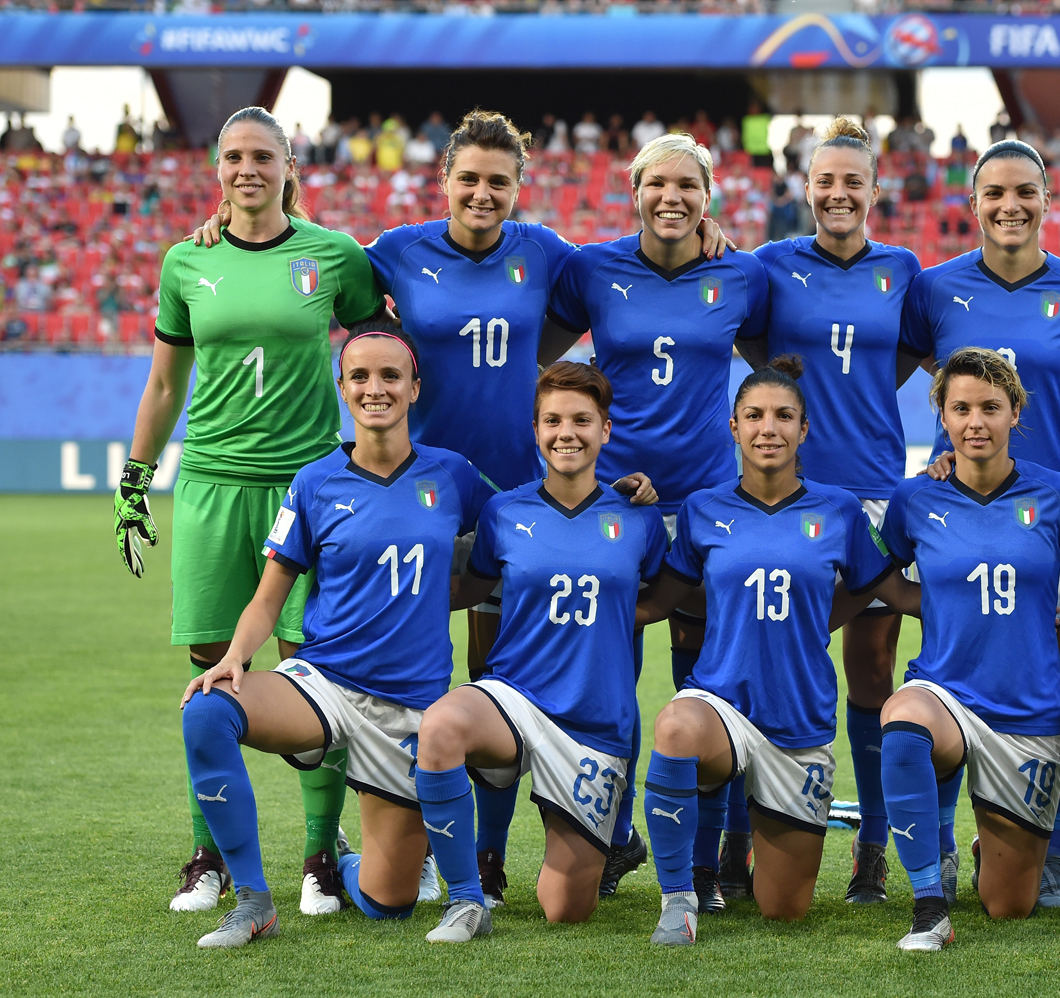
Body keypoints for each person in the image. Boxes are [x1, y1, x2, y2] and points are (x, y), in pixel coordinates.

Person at [190, 110, 720, 904]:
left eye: (497, 181)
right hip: (420, 495)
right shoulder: (397, 252)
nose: (481, 193)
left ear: (518, 189)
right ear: (443, 182)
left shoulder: (546, 253)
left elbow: (633, 272)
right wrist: (235, 220)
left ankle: (541, 844)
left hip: (515, 496)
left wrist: (712, 237)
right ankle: (419, 834)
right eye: (467, 178)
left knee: (530, 666)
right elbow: (312, 270)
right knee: (420, 667)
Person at [118, 107, 385, 918]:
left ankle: (319, 856)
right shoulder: (184, 262)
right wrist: (135, 480)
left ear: (287, 163)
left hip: (306, 487)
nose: (246, 169)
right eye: (233, 157)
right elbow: (165, 385)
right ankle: (211, 855)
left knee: (316, 667)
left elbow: (383, 343)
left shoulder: (332, 254)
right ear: (217, 168)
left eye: (261, 156)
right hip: (210, 484)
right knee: (209, 659)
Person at [178, 330, 494, 949]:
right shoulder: (314, 482)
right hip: (325, 684)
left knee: (388, 904)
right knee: (208, 712)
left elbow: (519, 524)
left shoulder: (453, 474)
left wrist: (608, 500)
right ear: (343, 389)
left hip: (409, 709)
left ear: (415, 389)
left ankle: (346, 863)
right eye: (360, 377)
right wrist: (236, 658)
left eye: (391, 376)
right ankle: (252, 902)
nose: (376, 389)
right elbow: (269, 596)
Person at [546, 132, 769, 897]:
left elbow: (775, 369)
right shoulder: (591, 268)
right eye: (657, 185)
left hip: (708, 504)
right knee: (610, 675)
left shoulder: (743, 274)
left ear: (710, 200)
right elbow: (540, 361)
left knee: (706, 676)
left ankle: (710, 859)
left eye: (688, 187)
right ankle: (610, 836)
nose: (671, 198)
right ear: (632, 191)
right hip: (615, 505)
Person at [633, 358, 919, 945]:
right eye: (755, 416)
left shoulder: (839, 510)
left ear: (804, 430)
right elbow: (656, 601)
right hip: (723, 707)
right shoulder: (702, 509)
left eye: (784, 416)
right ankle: (679, 896)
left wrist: (1003, 601)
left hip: (799, 725)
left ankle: (756, 848)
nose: (770, 428)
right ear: (733, 427)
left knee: (784, 910)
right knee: (676, 728)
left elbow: (883, 588)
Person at [899, 140, 1060, 907]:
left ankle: (1046, 858)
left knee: (1056, 694)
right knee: (947, 676)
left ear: (1048, 200)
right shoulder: (932, 291)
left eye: (1025, 191)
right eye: (994, 193)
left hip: (1052, 522)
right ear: (973, 202)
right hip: (953, 516)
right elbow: (869, 372)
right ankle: (940, 852)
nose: (1009, 206)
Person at [415, 362, 668, 941]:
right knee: (443, 726)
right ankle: (466, 897)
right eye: (552, 420)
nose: (566, 433)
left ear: (606, 428)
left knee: (565, 910)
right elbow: (472, 591)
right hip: (516, 698)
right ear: (535, 430)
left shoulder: (638, 518)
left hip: (595, 722)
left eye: (582, 420)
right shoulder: (505, 512)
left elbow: (670, 590)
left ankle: (613, 842)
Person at [745, 118, 923, 909]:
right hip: (788, 494)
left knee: (873, 669)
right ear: (807, 187)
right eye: (827, 181)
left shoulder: (904, 271)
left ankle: (875, 847)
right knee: (767, 656)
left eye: (854, 182)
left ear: (874, 191)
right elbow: (748, 345)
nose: (839, 193)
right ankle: (742, 836)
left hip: (878, 489)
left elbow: (909, 356)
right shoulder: (770, 266)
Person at [877, 348, 1060, 951]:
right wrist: (934, 606)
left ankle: (991, 846)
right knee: (902, 722)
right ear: (943, 418)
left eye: (990, 408)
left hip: (1026, 714)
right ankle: (929, 905)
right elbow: (876, 574)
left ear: (1015, 413)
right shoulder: (915, 497)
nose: (975, 421)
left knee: (1009, 906)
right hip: (944, 692)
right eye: (961, 409)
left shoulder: (1057, 495)